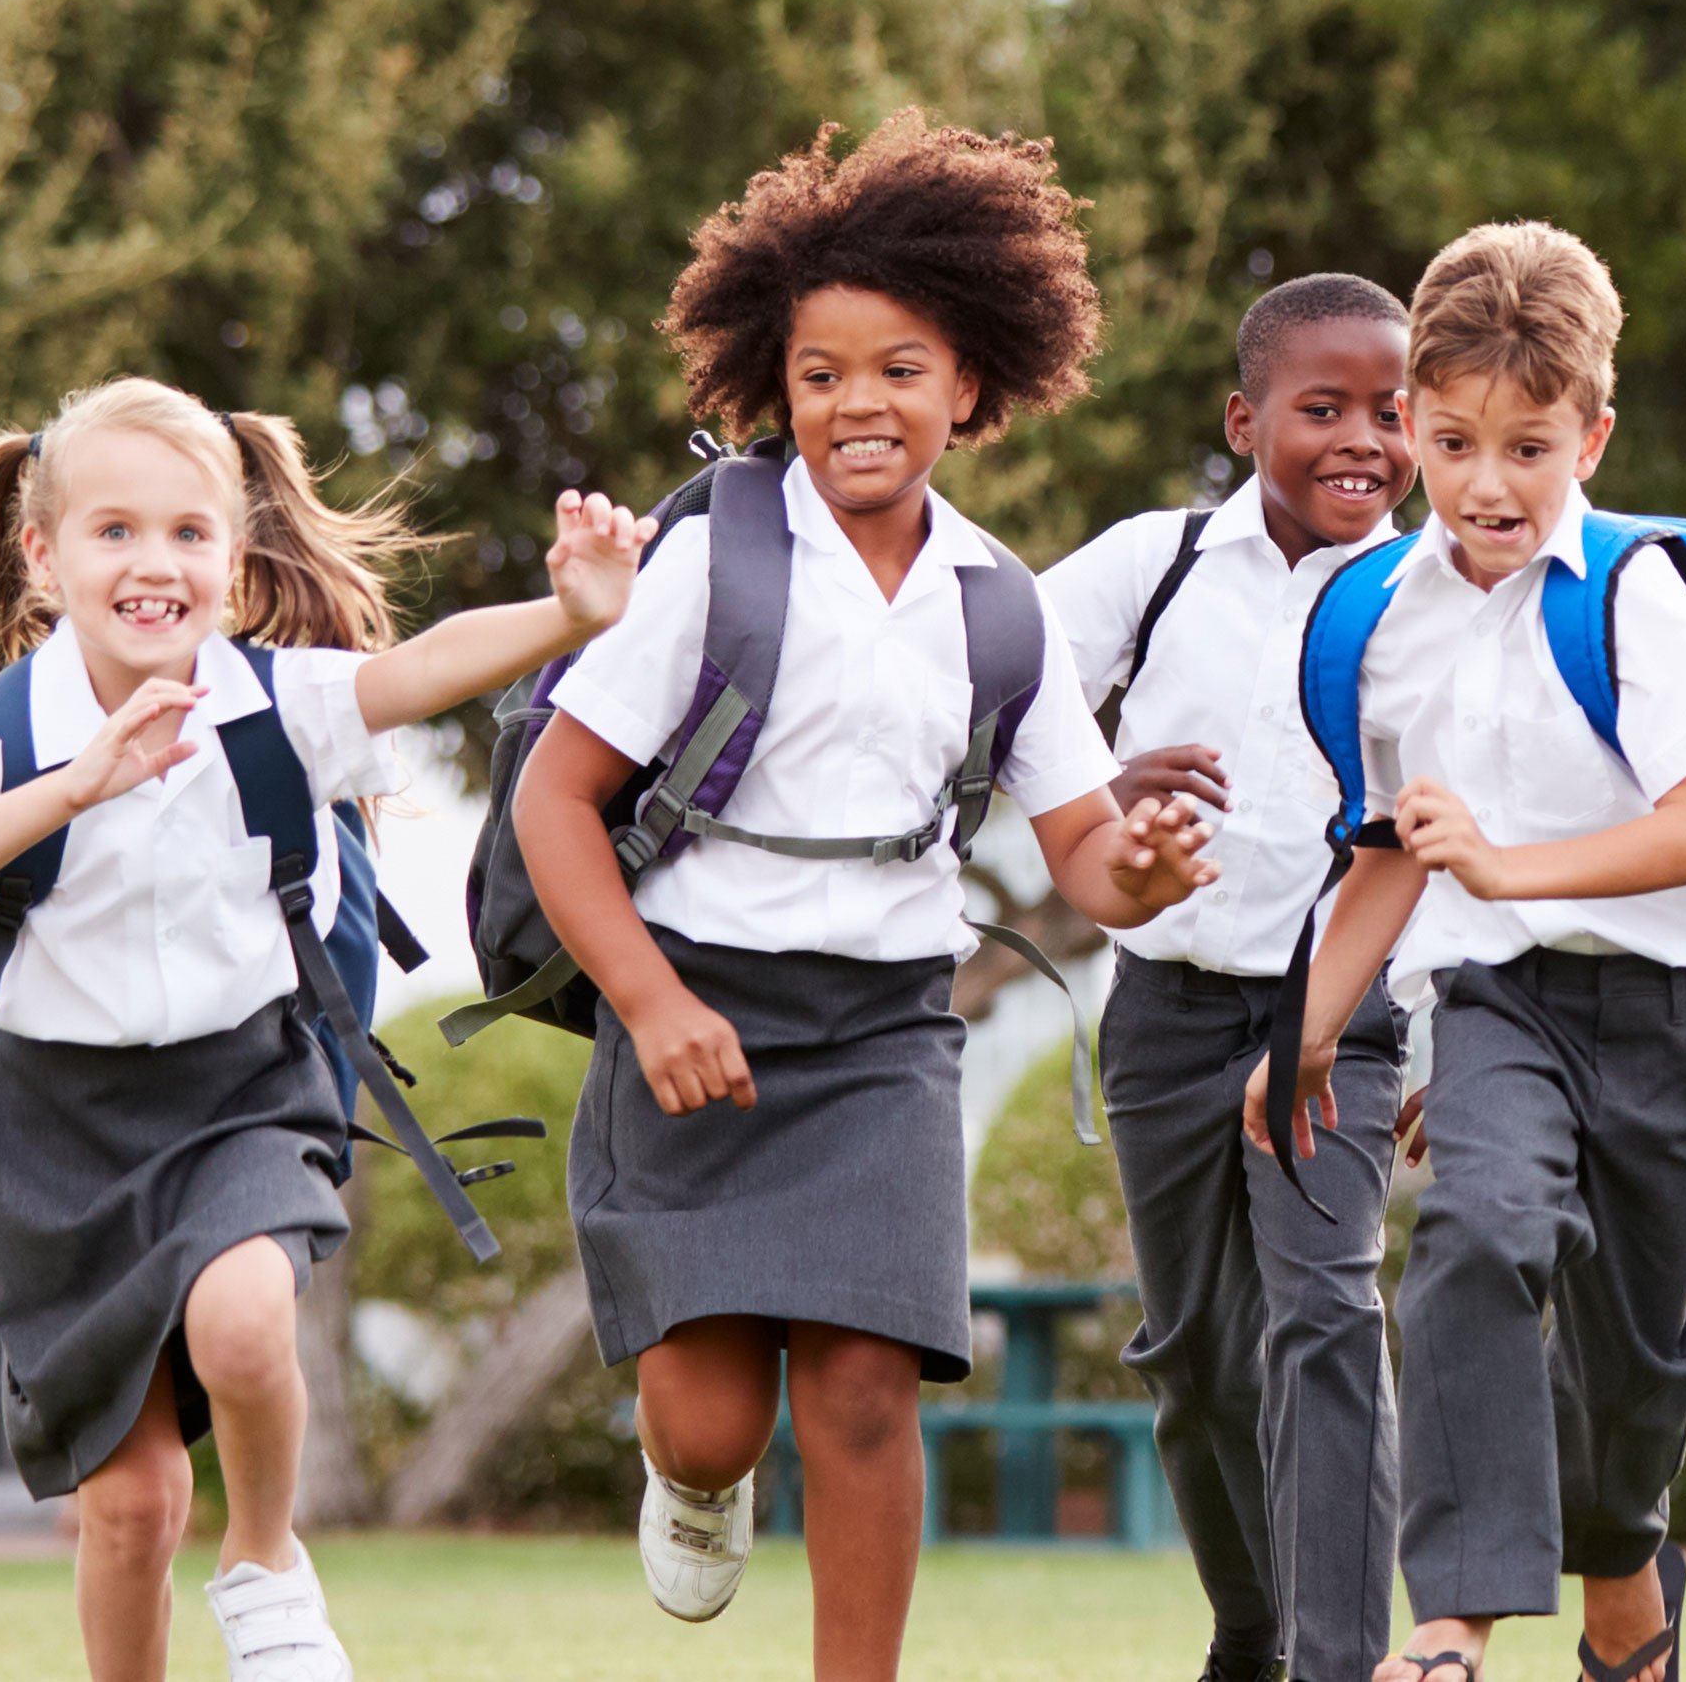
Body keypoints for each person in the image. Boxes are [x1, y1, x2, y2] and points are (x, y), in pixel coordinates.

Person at [508, 115, 1219, 1682]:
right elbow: (552, 801)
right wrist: (648, 999)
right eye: (820, 375)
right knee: (706, 1420)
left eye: (898, 368)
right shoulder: (711, 564)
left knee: (861, 1391)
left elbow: (1087, 848)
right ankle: (691, 1482)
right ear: (778, 389)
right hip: (695, 1006)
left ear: (970, 386)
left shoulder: (999, 603)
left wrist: (1144, 872)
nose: (858, 404)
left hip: (884, 1029)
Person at [0, 375, 649, 1682]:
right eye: (112, 531)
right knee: (127, 1507)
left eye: (188, 533)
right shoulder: (4, 732)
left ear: (233, 558)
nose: (153, 563)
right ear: (42, 553)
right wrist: (78, 783)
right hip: (55, 1128)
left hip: (245, 1085)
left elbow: (414, 670)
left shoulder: (278, 706)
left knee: (240, 1326)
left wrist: (567, 611)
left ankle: (266, 1558)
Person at [1257, 220, 1686, 1682]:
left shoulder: (1635, 594)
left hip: (1673, 1012)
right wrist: (1306, 1028)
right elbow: (1386, 855)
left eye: (1529, 449)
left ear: (1590, 435)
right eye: (1457, 440)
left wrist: (1507, 861)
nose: (1488, 484)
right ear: (1408, 422)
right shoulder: (1370, 618)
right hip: (1499, 1004)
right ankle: (1454, 1623)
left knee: (1631, 1356)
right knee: (1474, 1235)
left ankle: (1618, 1576)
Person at [1039, 272, 1418, 1682]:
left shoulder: (1431, 595)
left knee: (1326, 1319)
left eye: (1391, 412)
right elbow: (995, 691)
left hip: (1339, 1017)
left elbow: (1443, 828)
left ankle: (1335, 1662)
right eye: (1321, 408)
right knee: (1194, 1359)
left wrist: (1429, 1030)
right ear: (1242, 414)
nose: (1360, 442)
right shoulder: (1160, 559)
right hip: (1162, 1015)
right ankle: (1250, 1635)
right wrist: (1096, 767)